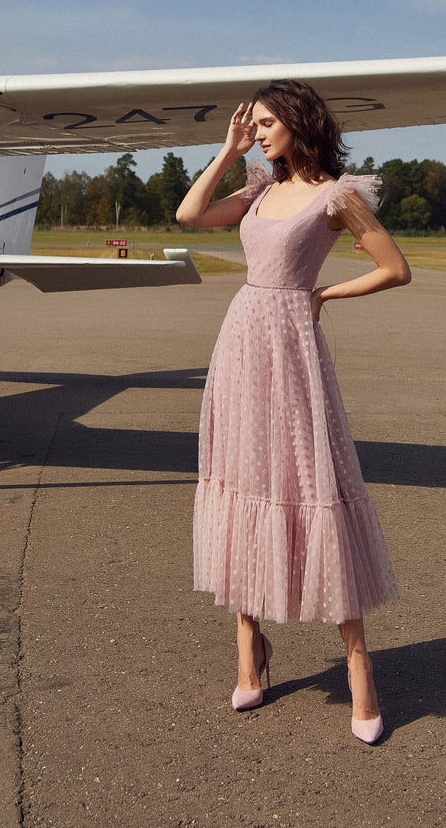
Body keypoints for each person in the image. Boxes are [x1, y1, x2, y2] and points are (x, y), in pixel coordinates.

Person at [176, 80, 411, 743]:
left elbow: (395, 268)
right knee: (243, 482)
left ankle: (359, 665)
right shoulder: (257, 187)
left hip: (292, 347)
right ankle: (249, 647)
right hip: (241, 343)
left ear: (300, 123)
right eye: (253, 125)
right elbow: (191, 216)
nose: (257, 132)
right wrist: (225, 150)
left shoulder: (337, 197)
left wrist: (327, 293)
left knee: (313, 487)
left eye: (266, 122)